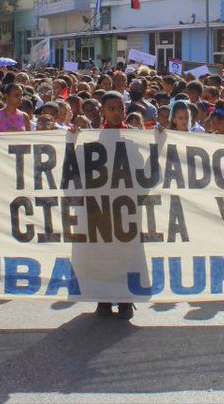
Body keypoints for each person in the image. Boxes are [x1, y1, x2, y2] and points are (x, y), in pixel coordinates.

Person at [95, 91, 135, 320]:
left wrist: (159, 138)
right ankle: (104, 298)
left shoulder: (134, 136)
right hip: (100, 203)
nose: (117, 112)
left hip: (126, 203)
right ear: (103, 111)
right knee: (103, 252)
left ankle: (125, 299)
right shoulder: (93, 137)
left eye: (120, 108)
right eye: (111, 108)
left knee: (125, 253)